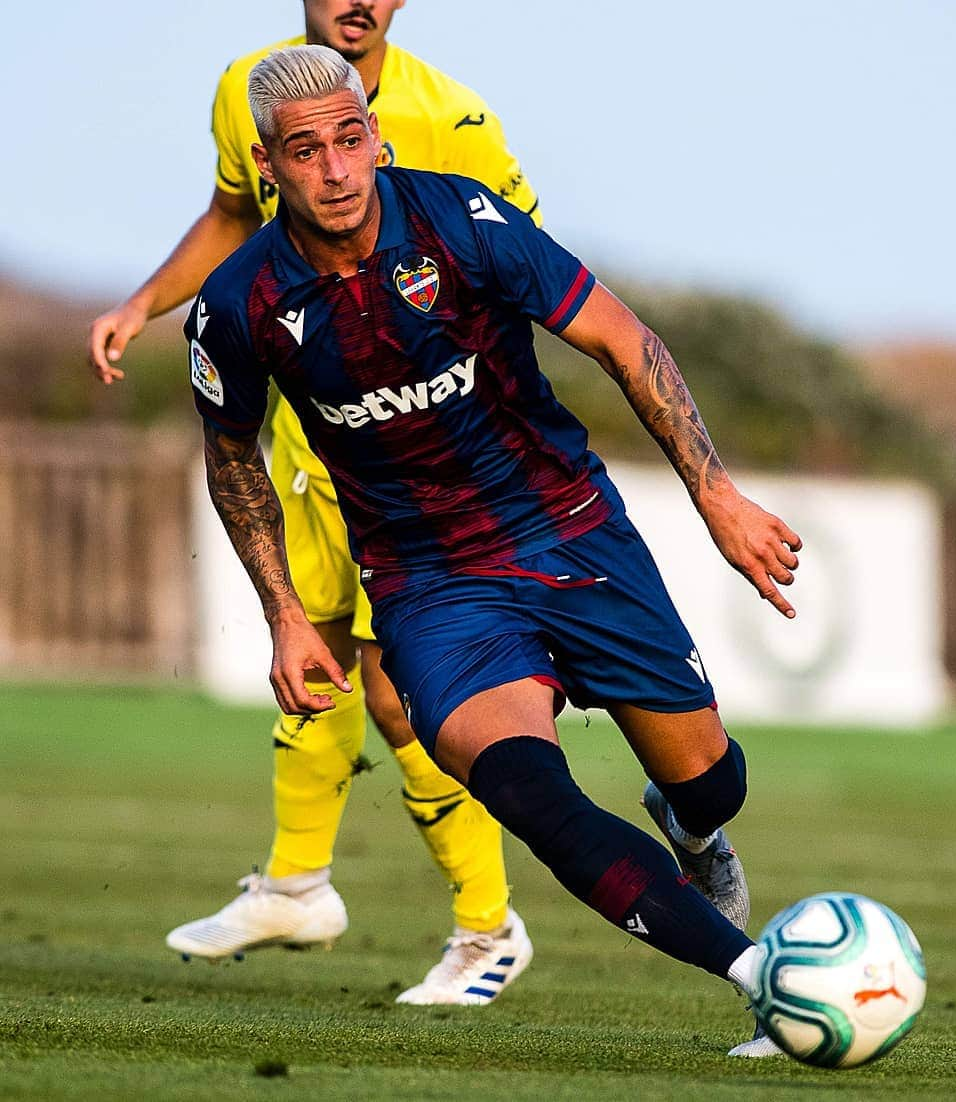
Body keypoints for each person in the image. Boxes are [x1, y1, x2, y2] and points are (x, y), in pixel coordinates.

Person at [190, 45, 800, 1055]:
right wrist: (286, 613)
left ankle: (691, 826)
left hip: (569, 529)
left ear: (375, 137)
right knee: (530, 794)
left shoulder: (462, 225)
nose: (337, 169)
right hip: (431, 588)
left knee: (708, 780)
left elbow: (620, 336)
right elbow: (230, 457)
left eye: (351, 140)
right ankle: (764, 979)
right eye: (307, 151)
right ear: (269, 164)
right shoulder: (239, 305)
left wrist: (715, 493)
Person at [88, 0, 543, 1005]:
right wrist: (140, 303)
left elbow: (517, 260)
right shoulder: (247, 91)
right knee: (313, 657)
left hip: (415, 458)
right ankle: (298, 881)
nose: (358, 0)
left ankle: (487, 927)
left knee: (398, 690)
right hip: (305, 440)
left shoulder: (455, 120)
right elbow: (229, 218)